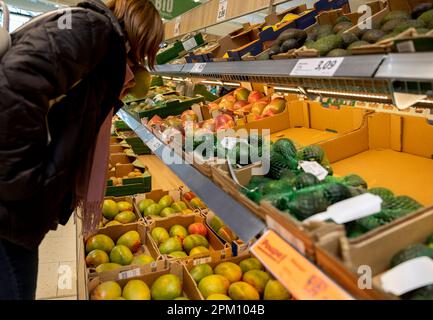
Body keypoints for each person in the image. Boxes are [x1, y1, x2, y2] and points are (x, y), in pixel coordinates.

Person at [0, 0, 163, 300]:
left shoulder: (99, 44)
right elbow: (14, 84)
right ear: (141, 34)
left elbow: (72, 116)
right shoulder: (96, 30)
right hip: (10, 211)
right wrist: (24, 184)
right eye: (146, 49)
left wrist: (113, 88)